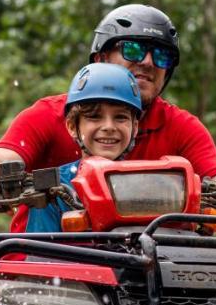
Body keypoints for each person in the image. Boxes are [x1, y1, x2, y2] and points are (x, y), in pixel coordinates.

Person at [0, 4, 216, 231]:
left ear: (135, 129)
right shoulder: (48, 113)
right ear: (73, 125)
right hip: (50, 265)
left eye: (160, 55)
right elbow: (2, 160)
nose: (147, 61)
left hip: (152, 267)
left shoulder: (182, 126)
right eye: (132, 49)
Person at [21, 62, 144, 232]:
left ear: (135, 128)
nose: (109, 126)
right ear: (72, 127)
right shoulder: (51, 188)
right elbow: (41, 257)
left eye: (120, 117)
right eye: (94, 117)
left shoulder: (147, 183)